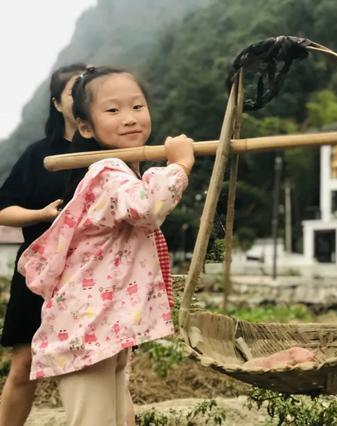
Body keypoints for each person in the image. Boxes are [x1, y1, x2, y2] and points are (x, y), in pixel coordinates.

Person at [18, 66, 194, 425]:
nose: (129, 119)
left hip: (103, 328)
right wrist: (181, 164)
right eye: (112, 111)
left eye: (137, 107)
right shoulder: (106, 171)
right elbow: (148, 206)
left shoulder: (121, 171)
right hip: (87, 330)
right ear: (85, 127)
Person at [0, 64, 87, 426]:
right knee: (24, 365)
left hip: (90, 275)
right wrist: (40, 214)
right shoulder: (38, 155)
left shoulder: (110, 152)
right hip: (38, 273)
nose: (82, 95)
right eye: (74, 90)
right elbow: (4, 209)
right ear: (56, 103)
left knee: (101, 369)